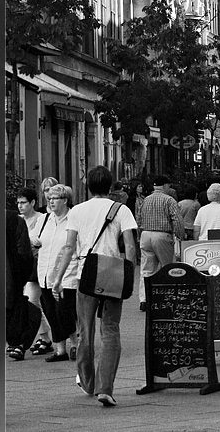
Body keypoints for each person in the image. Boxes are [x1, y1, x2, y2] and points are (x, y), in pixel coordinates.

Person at [51, 165, 137, 406]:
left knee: (85, 331)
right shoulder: (121, 210)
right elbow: (130, 245)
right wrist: (128, 274)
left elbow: (69, 246)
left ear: (87, 186)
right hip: (113, 274)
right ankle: (105, 387)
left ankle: (88, 382)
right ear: (110, 186)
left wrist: (58, 279)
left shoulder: (77, 211)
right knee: (110, 330)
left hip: (86, 274)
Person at [37, 184, 78, 363]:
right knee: (51, 313)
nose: (51, 201)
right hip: (45, 274)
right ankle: (60, 350)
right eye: (49, 198)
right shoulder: (45, 220)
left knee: (64, 312)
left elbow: (75, 247)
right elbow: (36, 240)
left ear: (65, 200)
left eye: (55, 198)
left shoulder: (74, 220)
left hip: (67, 275)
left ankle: (77, 343)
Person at [138, 174, 185, 310]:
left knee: (146, 269)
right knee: (167, 267)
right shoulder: (169, 200)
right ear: (165, 186)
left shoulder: (145, 200)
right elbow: (177, 219)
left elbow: (139, 218)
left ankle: (145, 299)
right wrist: (180, 235)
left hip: (145, 234)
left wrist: (139, 236)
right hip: (162, 235)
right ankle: (168, 297)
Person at [16, 187, 53, 355]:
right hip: (22, 268)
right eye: (18, 203)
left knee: (33, 302)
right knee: (34, 303)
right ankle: (45, 338)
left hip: (40, 266)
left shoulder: (43, 219)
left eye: (23, 202)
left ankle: (25, 341)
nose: (20, 206)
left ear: (32, 203)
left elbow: (46, 241)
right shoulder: (17, 220)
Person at [6, 210, 36, 361]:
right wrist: (22, 277)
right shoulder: (14, 220)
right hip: (11, 276)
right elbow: (24, 253)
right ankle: (17, 342)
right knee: (15, 307)